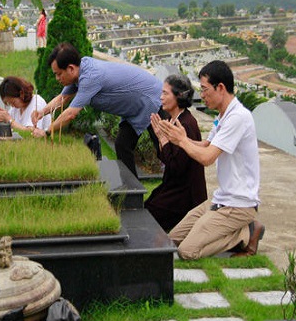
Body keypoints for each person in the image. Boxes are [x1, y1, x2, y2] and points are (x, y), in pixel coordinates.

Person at [155, 60, 265, 259]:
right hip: (220, 199)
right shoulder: (223, 116)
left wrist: (181, 139)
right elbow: (205, 145)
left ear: (220, 88)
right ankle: (236, 230)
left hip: (238, 206)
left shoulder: (238, 117)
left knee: (187, 251)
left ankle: (246, 233)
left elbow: (207, 158)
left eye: (205, 90)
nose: (202, 95)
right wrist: (174, 139)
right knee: (172, 238)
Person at [31, 42, 162, 176]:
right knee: (123, 145)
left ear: (70, 68)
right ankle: (132, 192)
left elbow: (71, 114)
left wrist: (47, 132)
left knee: (166, 150)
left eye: (59, 74)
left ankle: (175, 189)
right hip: (136, 109)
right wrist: (41, 112)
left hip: (154, 101)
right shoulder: (79, 72)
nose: (57, 78)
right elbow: (62, 99)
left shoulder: (90, 77)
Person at [145, 74, 207, 232]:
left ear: (179, 96)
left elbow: (177, 167)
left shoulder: (185, 124)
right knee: (147, 206)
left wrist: (163, 140)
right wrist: (161, 139)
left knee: (149, 213)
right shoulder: (172, 119)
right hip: (174, 185)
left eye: (165, 93)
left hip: (186, 194)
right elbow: (166, 159)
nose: (161, 97)